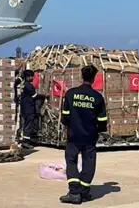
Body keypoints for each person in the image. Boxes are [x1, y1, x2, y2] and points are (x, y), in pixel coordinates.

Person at [59, 65, 108, 204]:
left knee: (71, 161)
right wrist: (99, 131)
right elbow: (102, 120)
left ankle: (74, 192)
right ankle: (84, 192)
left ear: (82, 76)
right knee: (89, 163)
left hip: (73, 135)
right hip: (89, 136)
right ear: (93, 79)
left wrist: (68, 126)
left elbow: (65, 116)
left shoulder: (70, 94)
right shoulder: (97, 97)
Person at [18, 69, 38, 149]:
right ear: (28, 77)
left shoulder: (23, 85)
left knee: (26, 124)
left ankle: (27, 140)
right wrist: (44, 96)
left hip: (24, 108)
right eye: (31, 76)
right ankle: (25, 142)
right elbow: (35, 96)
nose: (32, 78)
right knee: (28, 125)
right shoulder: (29, 86)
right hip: (29, 108)